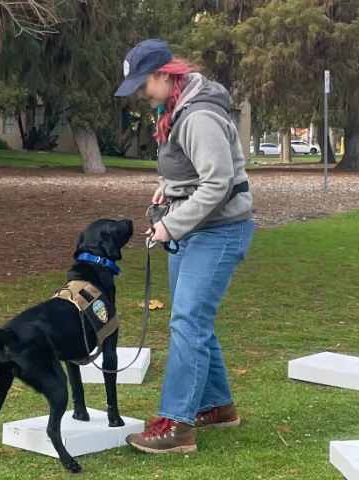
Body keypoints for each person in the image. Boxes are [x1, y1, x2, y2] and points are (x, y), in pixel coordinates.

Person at [114, 39, 254, 454]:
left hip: (219, 231)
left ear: (165, 74)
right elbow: (193, 171)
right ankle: (218, 406)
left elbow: (218, 182)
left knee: (187, 323)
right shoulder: (176, 110)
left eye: (144, 84)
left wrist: (170, 226)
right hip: (196, 228)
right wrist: (168, 189)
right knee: (191, 320)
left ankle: (177, 426)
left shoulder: (199, 115)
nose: (141, 93)